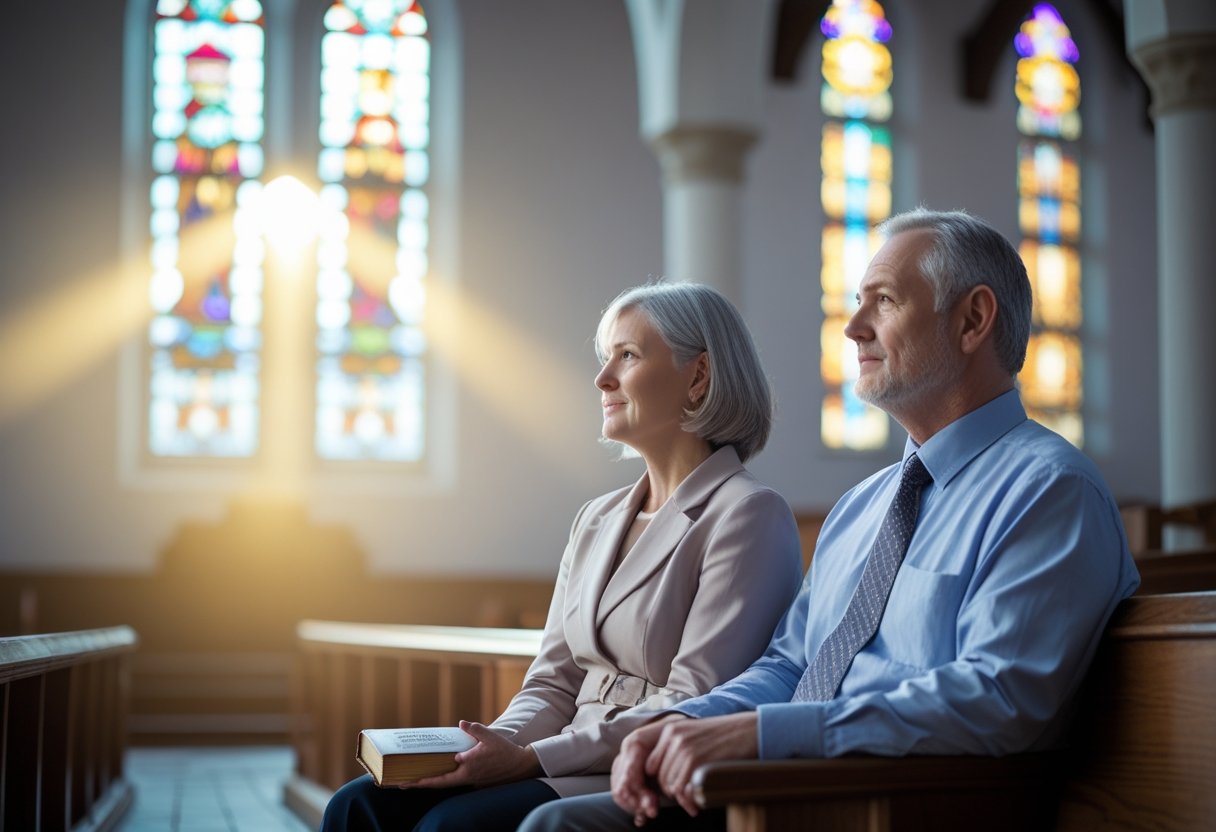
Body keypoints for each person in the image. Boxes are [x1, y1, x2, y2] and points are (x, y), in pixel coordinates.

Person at [518, 208, 1141, 832]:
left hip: (906, 801)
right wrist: (678, 726)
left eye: (884, 302)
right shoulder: (863, 506)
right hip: (794, 786)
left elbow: (998, 697)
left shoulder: (1048, 490)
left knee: (549, 827)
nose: (853, 328)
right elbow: (788, 666)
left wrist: (762, 735)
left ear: (972, 320)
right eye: (857, 302)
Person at [320, 282, 804, 832]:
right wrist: (492, 747)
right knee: (356, 805)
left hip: (637, 772)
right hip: (558, 753)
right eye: (606, 358)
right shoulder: (595, 518)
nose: (602, 379)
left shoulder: (749, 513)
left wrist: (532, 760)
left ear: (698, 376)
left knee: (453, 827)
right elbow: (552, 682)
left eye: (628, 356)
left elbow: (692, 702)